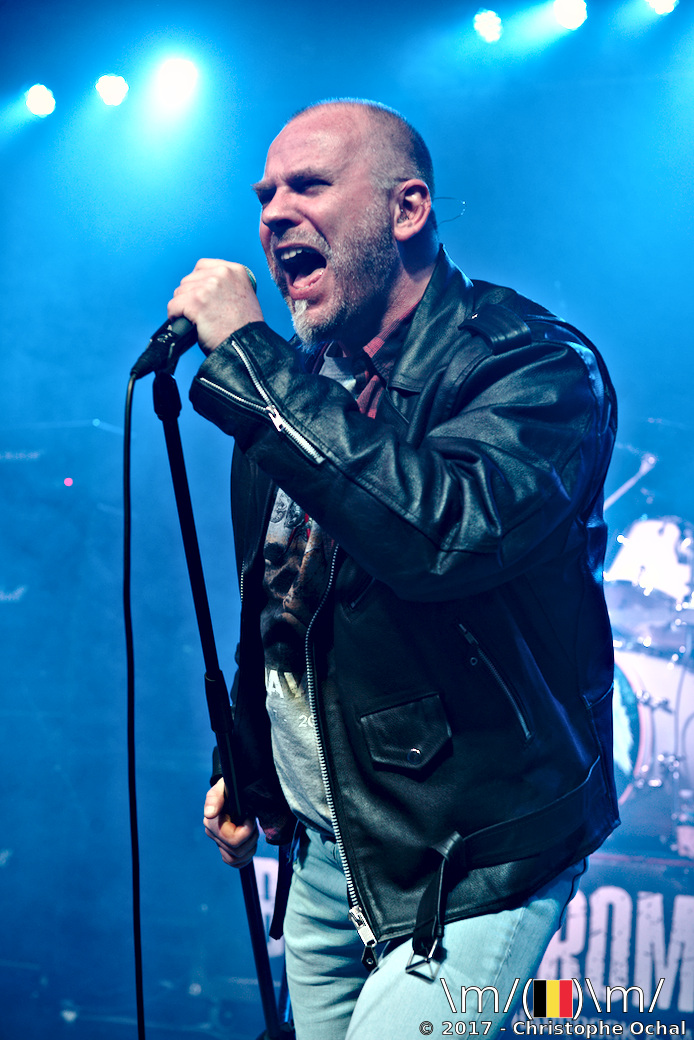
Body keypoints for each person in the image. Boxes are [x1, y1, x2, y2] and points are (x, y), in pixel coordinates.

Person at [168, 99, 619, 1040]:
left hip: (471, 855)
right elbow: (278, 610)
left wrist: (250, 363)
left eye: (308, 185)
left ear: (407, 209)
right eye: (265, 195)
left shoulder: (532, 367)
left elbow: (440, 537)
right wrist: (247, 761)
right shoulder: (298, 386)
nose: (274, 213)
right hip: (332, 852)